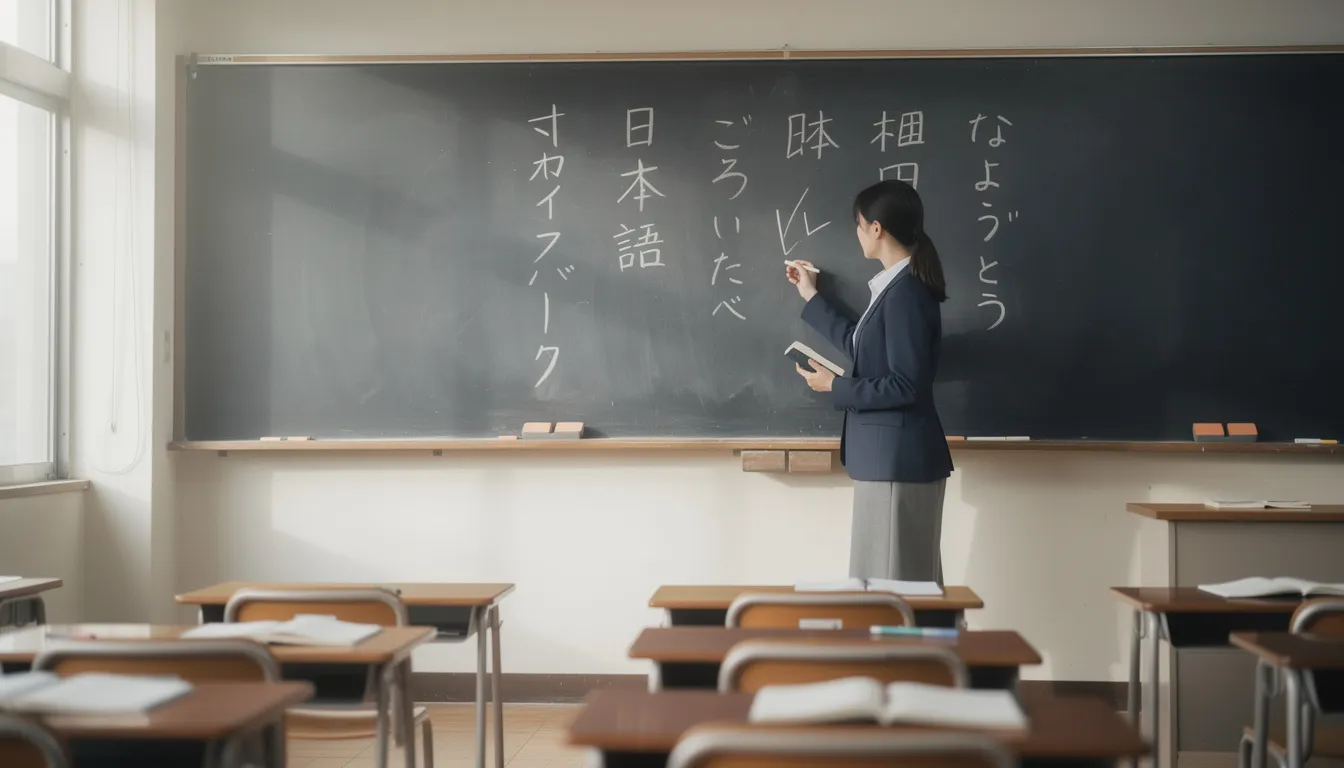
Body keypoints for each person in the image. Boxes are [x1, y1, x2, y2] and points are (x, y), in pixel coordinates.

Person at [784, 179, 954, 584]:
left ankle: (910, 651)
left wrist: (837, 387)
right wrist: (811, 297)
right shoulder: (894, 288)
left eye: (858, 225)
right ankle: (912, 649)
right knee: (893, 585)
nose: (857, 234)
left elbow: (906, 384)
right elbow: (860, 345)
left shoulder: (906, 293)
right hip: (888, 459)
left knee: (891, 588)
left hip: (896, 461)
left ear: (876, 229)